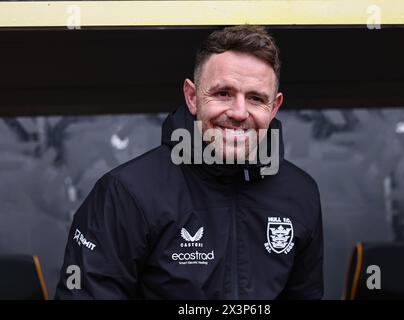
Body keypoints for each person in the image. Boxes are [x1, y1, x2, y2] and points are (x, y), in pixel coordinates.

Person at [55, 25, 323, 299]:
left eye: (255, 98)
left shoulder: (300, 193)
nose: (239, 112)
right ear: (192, 97)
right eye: (223, 94)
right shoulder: (126, 193)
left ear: (274, 107)